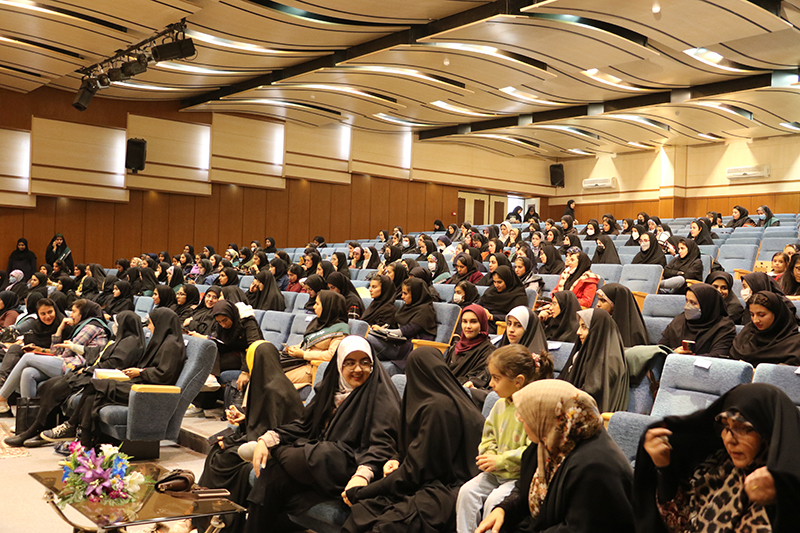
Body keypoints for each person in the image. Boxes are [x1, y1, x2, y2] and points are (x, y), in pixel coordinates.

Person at [246, 336, 400, 533]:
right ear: (339, 364)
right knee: (272, 477)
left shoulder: (381, 396)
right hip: (321, 462)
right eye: (350, 363)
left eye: (365, 363)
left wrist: (363, 475)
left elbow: (383, 445)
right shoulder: (330, 389)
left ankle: (281, 452)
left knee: (319, 453)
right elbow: (305, 425)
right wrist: (267, 439)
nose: (358, 369)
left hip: (353, 466)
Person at [342, 346, 484, 533]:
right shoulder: (432, 402)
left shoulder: (438, 409)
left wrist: (362, 491)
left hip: (445, 490)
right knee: (364, 512)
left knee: (386, 524)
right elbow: (413, 450)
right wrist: (396, 458)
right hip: (421, 482)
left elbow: (415, 471)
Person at [636, 383, 800, 533]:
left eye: (743, 428)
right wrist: (664, 468)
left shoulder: (787, 487)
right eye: (725, 426)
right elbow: (679, 524)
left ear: (768, 431)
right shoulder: (718, 468)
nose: (730, 439)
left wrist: (779, 501)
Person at [477, 380, 635, 533]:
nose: (521, 421)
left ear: (550, 418)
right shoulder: (546, 444)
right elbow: (523, 489)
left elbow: (579, 528)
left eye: (526, 416)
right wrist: (503, 510)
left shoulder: (596, 468)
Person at [197, 340, 304, 533]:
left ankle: (221, 520)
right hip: (264, 439)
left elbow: (273, 430)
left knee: (223, 458)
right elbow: (264, 421)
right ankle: (204, 516)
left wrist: (232, 440)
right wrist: (244, 419)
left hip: (277, 449)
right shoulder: (271, 382)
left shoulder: (274, 389)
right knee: (218, 451)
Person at [44, 307, 186, 447]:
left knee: (96, 385)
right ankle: (85, 442)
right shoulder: (163, 341)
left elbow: (164, 375)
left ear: (161, 324)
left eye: (151, 323)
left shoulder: (171, 346)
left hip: (150, 390)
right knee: (94, 393)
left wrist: (141, 372)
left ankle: (72, 426)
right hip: (142, 384)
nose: (148, 327)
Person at [5, 311, 145, 448]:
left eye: (117, 323)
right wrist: (76, 351)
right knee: (49, 385)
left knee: (57, 387)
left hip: (103, 377)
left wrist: (87, 370)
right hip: (92, 372)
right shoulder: (120, 340)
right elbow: (97, 352)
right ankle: (39, 430)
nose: (114, 326)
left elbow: (114, 363)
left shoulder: (131, 343)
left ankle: (35, 429)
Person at [456, 345, 554, 533]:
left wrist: (500, 460)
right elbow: (488, 436)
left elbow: (531, 450)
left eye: (496, 378)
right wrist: (488, 455)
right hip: (495, 473)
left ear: (518, 381)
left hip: (517, 477)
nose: (491, 384)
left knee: (494, 502)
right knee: (467, 493)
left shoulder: (532, 408)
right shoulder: (499, 405)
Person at [0, 299, 109, 415]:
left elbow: (64, 354)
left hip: (78, 368)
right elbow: (56, 351)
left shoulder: (91, 327)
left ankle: (2, 398)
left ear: (84, 312)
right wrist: (59, 329)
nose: (71, 315)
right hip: (68, 363)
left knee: (28, 358)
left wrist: (43, 351)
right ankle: (29, 421)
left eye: (73, 311)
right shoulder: (83, 326)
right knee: (28, 372)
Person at [560, 308, 629, 412]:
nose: (578, 332)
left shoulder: (608, 360)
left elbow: (590, 394)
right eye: (579, 326)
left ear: (597, 329)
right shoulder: (588, 352)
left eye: (584, 327)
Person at [659, 283, 737, 358]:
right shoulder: (680, 320)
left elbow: (718, 356)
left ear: (707, 305)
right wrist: (673, 353)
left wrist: (683, 358)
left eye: (693, 303)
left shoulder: (725, 327)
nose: (687, 306)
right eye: (687, 301)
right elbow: (660, 348)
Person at [730, 291, 800, 366]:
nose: (755, 320)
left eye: (761, 315)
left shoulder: (795, 344)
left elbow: (785, 374)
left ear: (776, 314)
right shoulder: (747, 332)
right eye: (752, 314)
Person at [443, 304, 496, 397]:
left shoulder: (489, 352)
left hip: (462, 395)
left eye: (473, 322)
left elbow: (477, 379)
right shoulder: (456, 347)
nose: (468, 326)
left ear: (482, 324)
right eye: (464, 321)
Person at [478, 265, 530, 334]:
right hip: (483, 320)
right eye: (494, 282)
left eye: (499, 282)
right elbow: (478, 304)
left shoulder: (518, 295)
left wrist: (492, 317)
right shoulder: (491, 291)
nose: (496, 285)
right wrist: (482, 310)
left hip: (500, 325)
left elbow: (517, 317)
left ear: (507, 281)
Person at [596, 283, 649, 347]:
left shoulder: (634, 333)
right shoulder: (603, 321)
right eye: (598, 300)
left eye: (603, 300)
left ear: (615, 303)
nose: (598, 304)